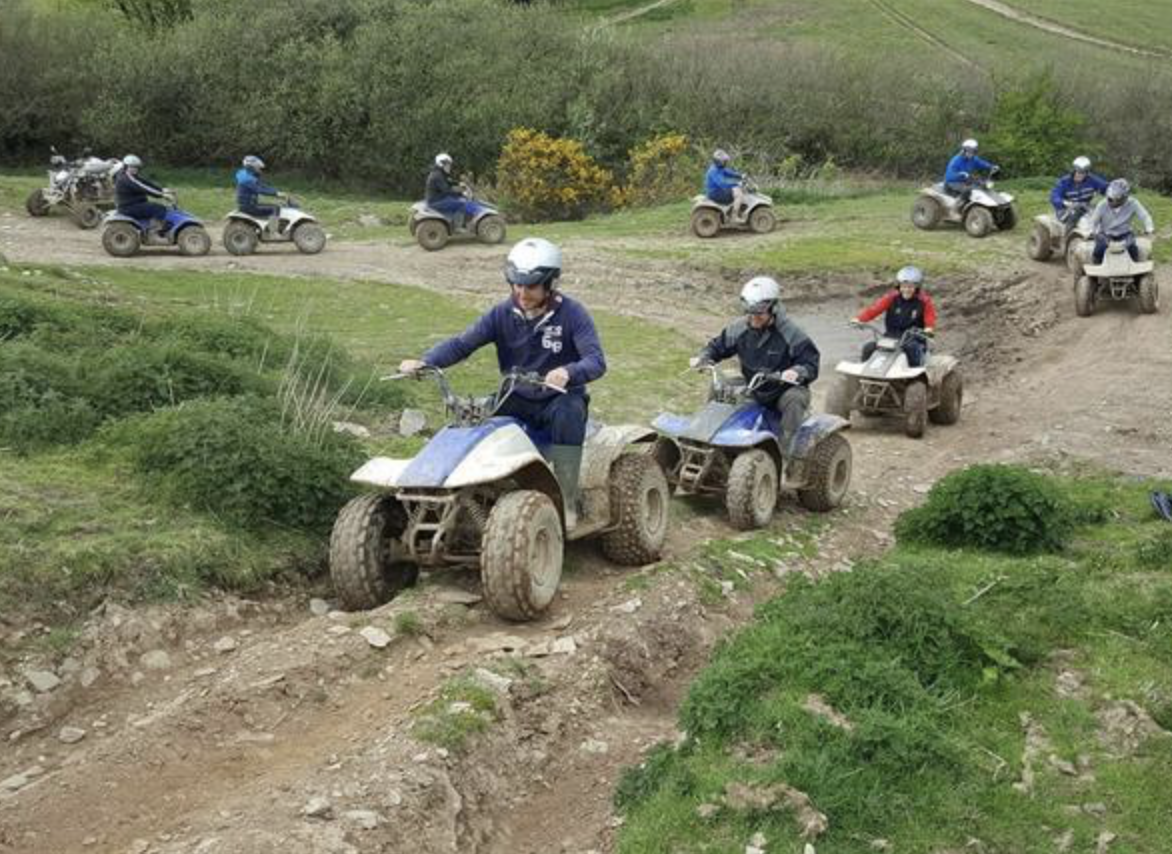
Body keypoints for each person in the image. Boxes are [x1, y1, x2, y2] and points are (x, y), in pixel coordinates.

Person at [398, 238, 605, 529]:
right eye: (516, 285)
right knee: (476, 421)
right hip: (516, 396)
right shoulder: (500, 314)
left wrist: (568, 372)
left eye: (530, 286)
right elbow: (461, 344)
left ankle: (568, 499)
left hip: (558, 399)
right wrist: (426, 361)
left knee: (569, 413)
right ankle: (476, 492)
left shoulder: (573, 314)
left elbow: (596, 360)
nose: (521, 293)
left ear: (551, 283)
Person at [691, 276, 819, 454]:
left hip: (784, 388)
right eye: (750, 312)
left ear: (773, 308)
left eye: (759, 313)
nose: (753, 318)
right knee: (719, 387)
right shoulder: (739, 328)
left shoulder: (792, 333)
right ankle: (705, 438)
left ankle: (787, 453)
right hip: (754, 384)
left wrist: (797, 371)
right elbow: (717, 346)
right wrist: (705, 357)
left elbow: (811, 363)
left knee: (794, 401)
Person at [851, 266, 937, 368]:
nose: (906, 290)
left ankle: (915, 376)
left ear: (917, 287)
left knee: (912, 349)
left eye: (910, 287)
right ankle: (863, 372)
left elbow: (929, 317)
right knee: (868, 347)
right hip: (891, 336)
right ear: (899, 286)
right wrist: (859, 319)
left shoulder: (924, 301)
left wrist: (929, 329)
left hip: (913, 338)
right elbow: (874, 310)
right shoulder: (891, 297)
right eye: (903, 286)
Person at [1089, 179, 1154, 264]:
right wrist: (1092, 231)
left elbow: (1145, 216)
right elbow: (1094, 221)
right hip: (1106, 234)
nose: (1112, 202)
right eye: (1110, 199)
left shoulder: (1133, 203)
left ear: (1125, 197)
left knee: (1133, 250)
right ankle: (1095, 273)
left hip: (1125, 233)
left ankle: (1136, 274)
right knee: (1098, 251)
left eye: (1117, 199)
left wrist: (1149, 229)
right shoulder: (1102, 205)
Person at [1050, 156, 1108, 234]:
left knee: (1103, 216)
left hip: (1085, 207)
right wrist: (1064, 203)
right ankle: (1066, 236)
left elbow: (1105, 187)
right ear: (1074, 170)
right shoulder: (1065, 182)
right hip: (1066, 209)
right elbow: (1054, 196)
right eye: (1078, 172)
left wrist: (1114, 190)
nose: (1080, 175)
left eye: (1084, 172)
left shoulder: (1092, 180)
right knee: (1079, 220)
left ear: (1087, 172)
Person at [114, 154, 170, 230]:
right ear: (126, 166)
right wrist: (162, 195)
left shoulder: (130, 176)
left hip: (132, 204)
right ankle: (155, 232)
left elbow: (145, 183)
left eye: (136, 167)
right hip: (128, 207)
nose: (135, 169)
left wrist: (161, 189)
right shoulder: (126, 179)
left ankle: (151, 226)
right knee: (159, 208)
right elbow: (143, 188)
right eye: (132, 167)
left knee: (153, 206)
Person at [425, 152, 473, 228]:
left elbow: (447, 181)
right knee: (461, 204)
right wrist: (462, 193)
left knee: (456, 199)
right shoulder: (437, 175)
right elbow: (446, 191)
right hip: (436, 201)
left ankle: (452, 220)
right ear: (441, 164)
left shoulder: (439, 173)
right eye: (448, 164)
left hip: (437, 198)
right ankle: (458, 227)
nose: (449, 167)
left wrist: (459, 183)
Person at [943, 139, 997, 206]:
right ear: (964, 150)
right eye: (969, 151)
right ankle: (956, 206)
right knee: (967, 191)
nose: (971, 153)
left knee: (982, 185)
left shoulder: (973, 159)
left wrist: (991, 166)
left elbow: (981, 163)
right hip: (952, 182)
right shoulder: (956, 160)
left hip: (964, 180)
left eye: (973, 151)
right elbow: (949, 175)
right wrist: (960, 174)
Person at [704, 149, 746, 221]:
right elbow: (722, 184)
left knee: (736, 188)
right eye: (724, 161)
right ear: (719, 161)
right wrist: (736, 183)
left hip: (718, 191)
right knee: (739, 194)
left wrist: (740, 176)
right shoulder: (714, 171)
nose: (725, 162)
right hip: (716, 193)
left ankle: (734, 210)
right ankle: (734, 216)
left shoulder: (719, 168)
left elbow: (729, 172)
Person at [235, 155, 281, 219]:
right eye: (258, 168)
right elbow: (259, 189)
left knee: (273, 205)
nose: (260, 170)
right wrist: (275, 193)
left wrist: (275, 191)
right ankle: (273, 229)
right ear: (251, 168)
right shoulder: (248, 179)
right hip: (249, 207)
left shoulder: (244, 174)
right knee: (275, 208)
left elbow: (261, 185)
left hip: (246, 205)